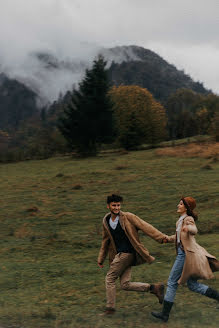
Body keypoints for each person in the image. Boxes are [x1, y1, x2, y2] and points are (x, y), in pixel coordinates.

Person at [98, 194, 169, 315]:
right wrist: (101, 259)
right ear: (108, 206)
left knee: (109, 279)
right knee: (125, 284)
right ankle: (154, 288)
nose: (116, 207)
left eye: (118, 205)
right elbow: (105, 241)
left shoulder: (128, 217)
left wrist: (162, 238)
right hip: (120, 255)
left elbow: (145, 226)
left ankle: (110, 309)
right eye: (114, 205)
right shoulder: (106, 221)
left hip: (127, 253)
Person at [151, 196, 219, 322]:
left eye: (181, 204)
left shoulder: (188, 219)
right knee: (192, 285)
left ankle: (164, 315)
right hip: (187, 254)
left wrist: (189, 228)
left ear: (186, 207)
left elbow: (194, 229)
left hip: (185, 255)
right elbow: (179, 236)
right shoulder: (180, 220)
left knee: (172, 282)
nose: (178, 205)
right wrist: (168, 239)